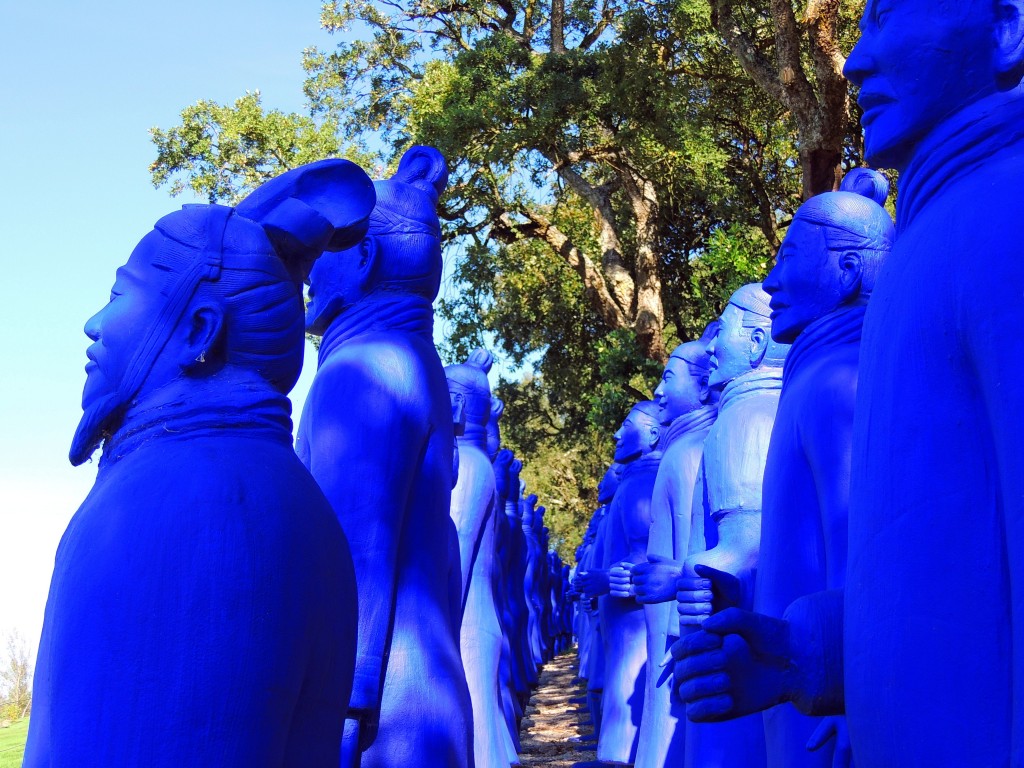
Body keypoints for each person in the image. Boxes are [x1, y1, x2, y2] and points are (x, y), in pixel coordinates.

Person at [673, 2, 1024, 764]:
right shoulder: (938, 240)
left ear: (1007, 29)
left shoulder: (1006, 216)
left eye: (890, 19)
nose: (857, 62)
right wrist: (811, 650)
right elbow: (929, 560)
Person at [25, 160, 373, 767]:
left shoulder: (181, 502)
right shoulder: (275, 489)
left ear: (200, 330)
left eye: (120, 297)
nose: (94, 325)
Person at [296, 147, 473, 768]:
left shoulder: (362, 370)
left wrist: (334, 718)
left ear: (364, 259)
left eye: (322, 259)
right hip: (423, 707)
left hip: (384, 728)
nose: (309, 276)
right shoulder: (414, 360)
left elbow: (355, 565)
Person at [677, 283, 789, 768]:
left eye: (720, 333)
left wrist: (689, 572)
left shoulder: (743, 416)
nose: (710, 347)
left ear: (757, 342)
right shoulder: (776, 405)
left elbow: (744, 551)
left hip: (748, 658)